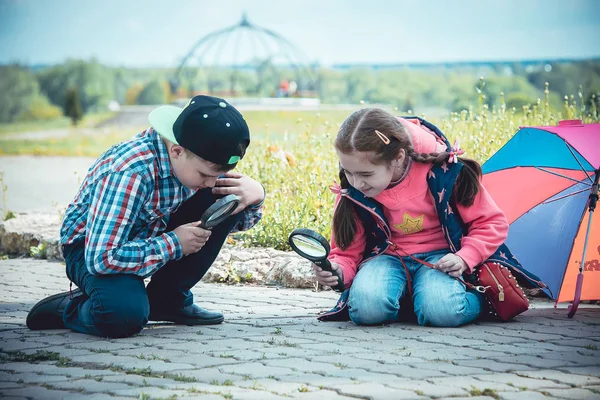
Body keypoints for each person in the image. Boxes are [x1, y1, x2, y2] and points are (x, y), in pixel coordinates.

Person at [26, 95, 266, 338]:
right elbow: (102, 258)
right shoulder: (131, 171)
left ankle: (168, 301)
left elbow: (234, 221)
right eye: (205, 175)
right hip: (91, 248)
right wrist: (174, 243)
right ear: (176, 150)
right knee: (123, 316)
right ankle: (73, 307)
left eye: (218, 174)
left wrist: (256, 196)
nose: (211, 182)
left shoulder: (192, 162)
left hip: (145, 234)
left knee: (228, 195)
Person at [314, 108, 523, 327]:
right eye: (348, 172)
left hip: (442, 259)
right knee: (366, 310)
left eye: (366, 174)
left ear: (398, 158)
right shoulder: (354, 189)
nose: (356, 183)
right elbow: (347, 252)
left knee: (443, 312)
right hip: (385, 257)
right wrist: (337, 270)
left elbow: (490, 222)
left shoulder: (446, 172)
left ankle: (479, 300)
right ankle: (413, 301)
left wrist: (465, 257)